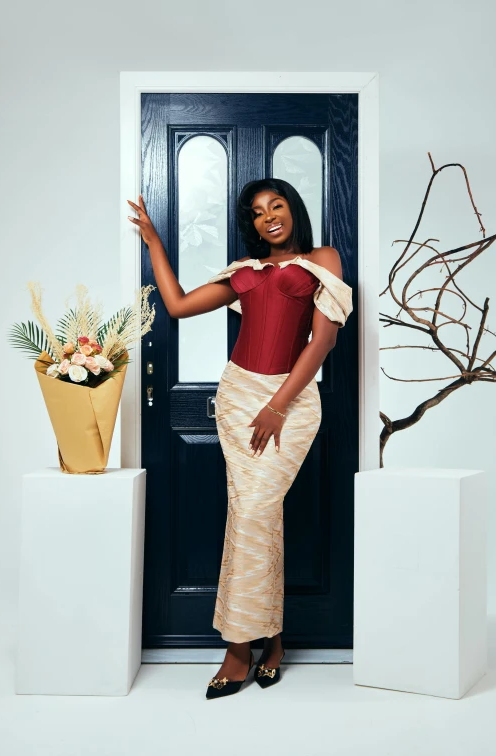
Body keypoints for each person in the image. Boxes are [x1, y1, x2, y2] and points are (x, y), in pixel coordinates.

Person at [127, 178, 353, 699]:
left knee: (253, 512)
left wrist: (277, 406)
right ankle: (266, 641)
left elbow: (323, 340)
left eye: (276, 206)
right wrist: (155, 244)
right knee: (253, 516)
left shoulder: (322, 258)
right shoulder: (245, 273)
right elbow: (179, 305)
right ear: (249, 224)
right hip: (238, 398)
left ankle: (238, 648)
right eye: (256, 212)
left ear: (293, 210)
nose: (268, 216)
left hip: (288, 402)